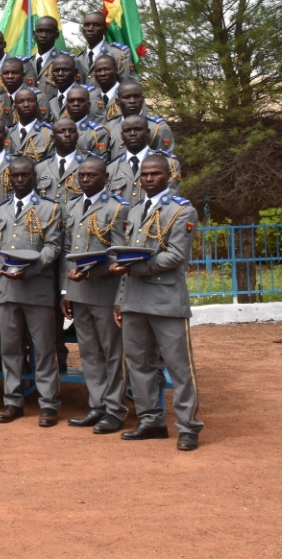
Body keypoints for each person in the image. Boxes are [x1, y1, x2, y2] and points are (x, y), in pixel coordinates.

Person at [112, 155, 202, 451]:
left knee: (179, 366)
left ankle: (188, 426)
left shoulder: (181, 211)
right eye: (145, 175)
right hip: (135, 299)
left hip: (165, 299)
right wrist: (120, 299)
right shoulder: (136, 211)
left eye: (155, 174)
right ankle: (151, 419)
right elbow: (127, 254)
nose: (149, 179)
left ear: (169, 176)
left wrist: (136, 269)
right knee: (138, 363)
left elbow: (176, 255)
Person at [0, 157, 63, 426]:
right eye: (15, 176)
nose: (20, 180)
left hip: (37, 289)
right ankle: (12, 401)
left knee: (43, 350)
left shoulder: (49, 208)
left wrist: (30, 268)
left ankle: (49, 404)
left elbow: (53, 247)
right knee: (10, 349)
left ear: (34, 177)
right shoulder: (2, 210)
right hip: (8, 290)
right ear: (8, 178)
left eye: (25, 175)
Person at [60, 157, 130, 434]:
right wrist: (66, 289)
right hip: (78, 291)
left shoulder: (117, 208)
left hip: (104, 289)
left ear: (105, 177)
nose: (85, 179)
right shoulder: (73, 205)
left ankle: (115, 409)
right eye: (82, 175)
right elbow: (67, 248)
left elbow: (119, 252)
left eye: (92, 175)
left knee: (112, 353)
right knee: (89, 353)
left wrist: (95, 271)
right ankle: (97, 405)